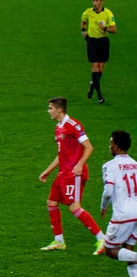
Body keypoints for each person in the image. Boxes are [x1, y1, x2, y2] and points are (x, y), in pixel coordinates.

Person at [39, 97, 105, 254]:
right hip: (63, 173)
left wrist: (80, 164)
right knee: (51, 202)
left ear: (59, 110)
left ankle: (102, 239)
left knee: (74, 207)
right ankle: (59, 241)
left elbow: (88, 147)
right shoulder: (58, 128)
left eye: (50, 108)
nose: (48, 111)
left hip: (73, 174)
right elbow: (61, 154)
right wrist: (48, 170)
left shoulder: (73, 125)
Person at [100, 130, 137, 277]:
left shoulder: (110, 165)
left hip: (123, 215)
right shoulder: (135, 164)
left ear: (115, 146)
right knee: (128, 248)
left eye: (110, 144)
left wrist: (103, 207)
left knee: (110, 250)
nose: (109, 146)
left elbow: (108, 191)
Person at [81, 0, 117, 104]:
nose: (94, 3)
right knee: (95, 68)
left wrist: (105, 28)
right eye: (93, 1)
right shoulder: (88, 12)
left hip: (103, 42)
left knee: (101, 69)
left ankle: (92, 85)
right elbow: (83, 23)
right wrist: (83, 32)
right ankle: (100, 96)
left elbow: (114, 30)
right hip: (92, 42)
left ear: (101, 1)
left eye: (96, 1)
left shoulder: (107, 13)